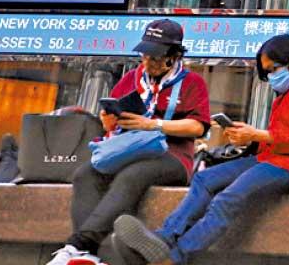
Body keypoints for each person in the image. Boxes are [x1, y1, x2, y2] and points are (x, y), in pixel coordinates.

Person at [114, 34, 289, 265]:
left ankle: (174, 258)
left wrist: (254, 134)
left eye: (273, 69)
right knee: (204, 179)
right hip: (274, 159)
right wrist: (248, 139)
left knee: (228, 199)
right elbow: (278, 138)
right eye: (267, 72)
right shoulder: (285, 95)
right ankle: (164, 238)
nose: (271, 76)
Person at [46, 19, 210, 265]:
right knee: (85, 174)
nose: (148, 63)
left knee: (132, 175)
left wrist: (153, 124)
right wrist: (109, 121)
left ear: (173, 57)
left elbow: (197, 127)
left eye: (155, 58)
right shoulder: (132, 79)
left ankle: (79, 246)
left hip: (172, 156)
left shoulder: (192, 82)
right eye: (145, 56)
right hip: (129, 150)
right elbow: (111, 119)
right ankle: (90, 256)